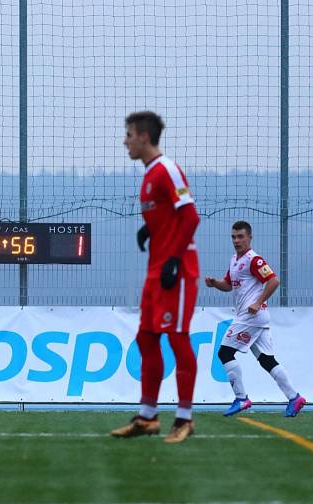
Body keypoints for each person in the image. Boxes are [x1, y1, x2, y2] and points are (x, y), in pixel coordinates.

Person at [111, 111, 201, 443]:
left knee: (178, 339)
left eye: (129, 135)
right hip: (156, 270)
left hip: (177, 271)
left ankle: (185, 419)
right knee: (146, 339)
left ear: (144, 137)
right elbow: (168, 216)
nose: (125, 141)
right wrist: (149, 229)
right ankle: (147, 417)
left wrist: (174, 259)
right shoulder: (149, 175)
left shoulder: (167, 170)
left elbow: (191, 217)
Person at [204, 221, 306, 417]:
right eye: (233, 237)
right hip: (254, 318)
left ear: (250, 238)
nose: (236, 240)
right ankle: (294, 397)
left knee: (225, 353)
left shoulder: (254, 260)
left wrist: (258, 302)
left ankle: (241, 398)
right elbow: (228, 285)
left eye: (240, 237)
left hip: (251, 316)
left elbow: (274, 280)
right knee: (267, 360)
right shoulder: (234, 259)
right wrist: (215, 283)